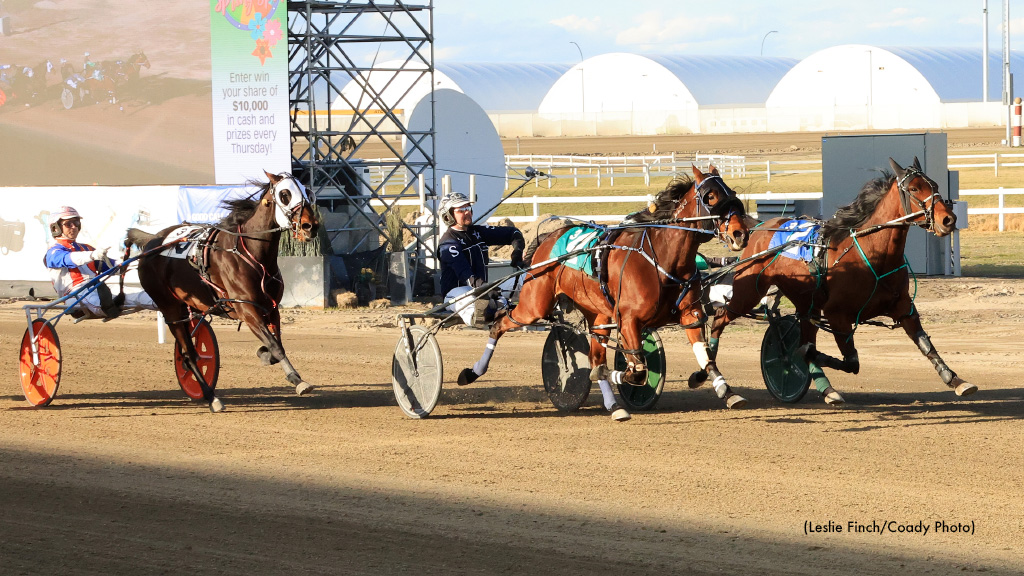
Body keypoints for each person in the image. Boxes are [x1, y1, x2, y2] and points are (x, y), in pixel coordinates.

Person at [43, 205, 156, 318]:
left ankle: (162, 303)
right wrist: (92, 255)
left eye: (76, 222)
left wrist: (140, 262)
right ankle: (107, 307)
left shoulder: (86, 248)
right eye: (68, 224)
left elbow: (112, 266)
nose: (74, 227)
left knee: (140, 294)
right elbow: (69, 258)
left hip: (99, 287)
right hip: (75, 294)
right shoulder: (53, 252)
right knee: (96, 299)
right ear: (55, 228)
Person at [437, 192, 526, 323]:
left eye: (468, 208)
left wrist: (517, 251)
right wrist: (486, 289)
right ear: (448, 216)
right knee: (470, 299)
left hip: (483, 289)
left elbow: (514, 233)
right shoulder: (448, 243)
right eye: (461, 210)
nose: (467, 212)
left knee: (527, 277)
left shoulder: (478, 232)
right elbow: (466, 274)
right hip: (457, 294)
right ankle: (482, 313)